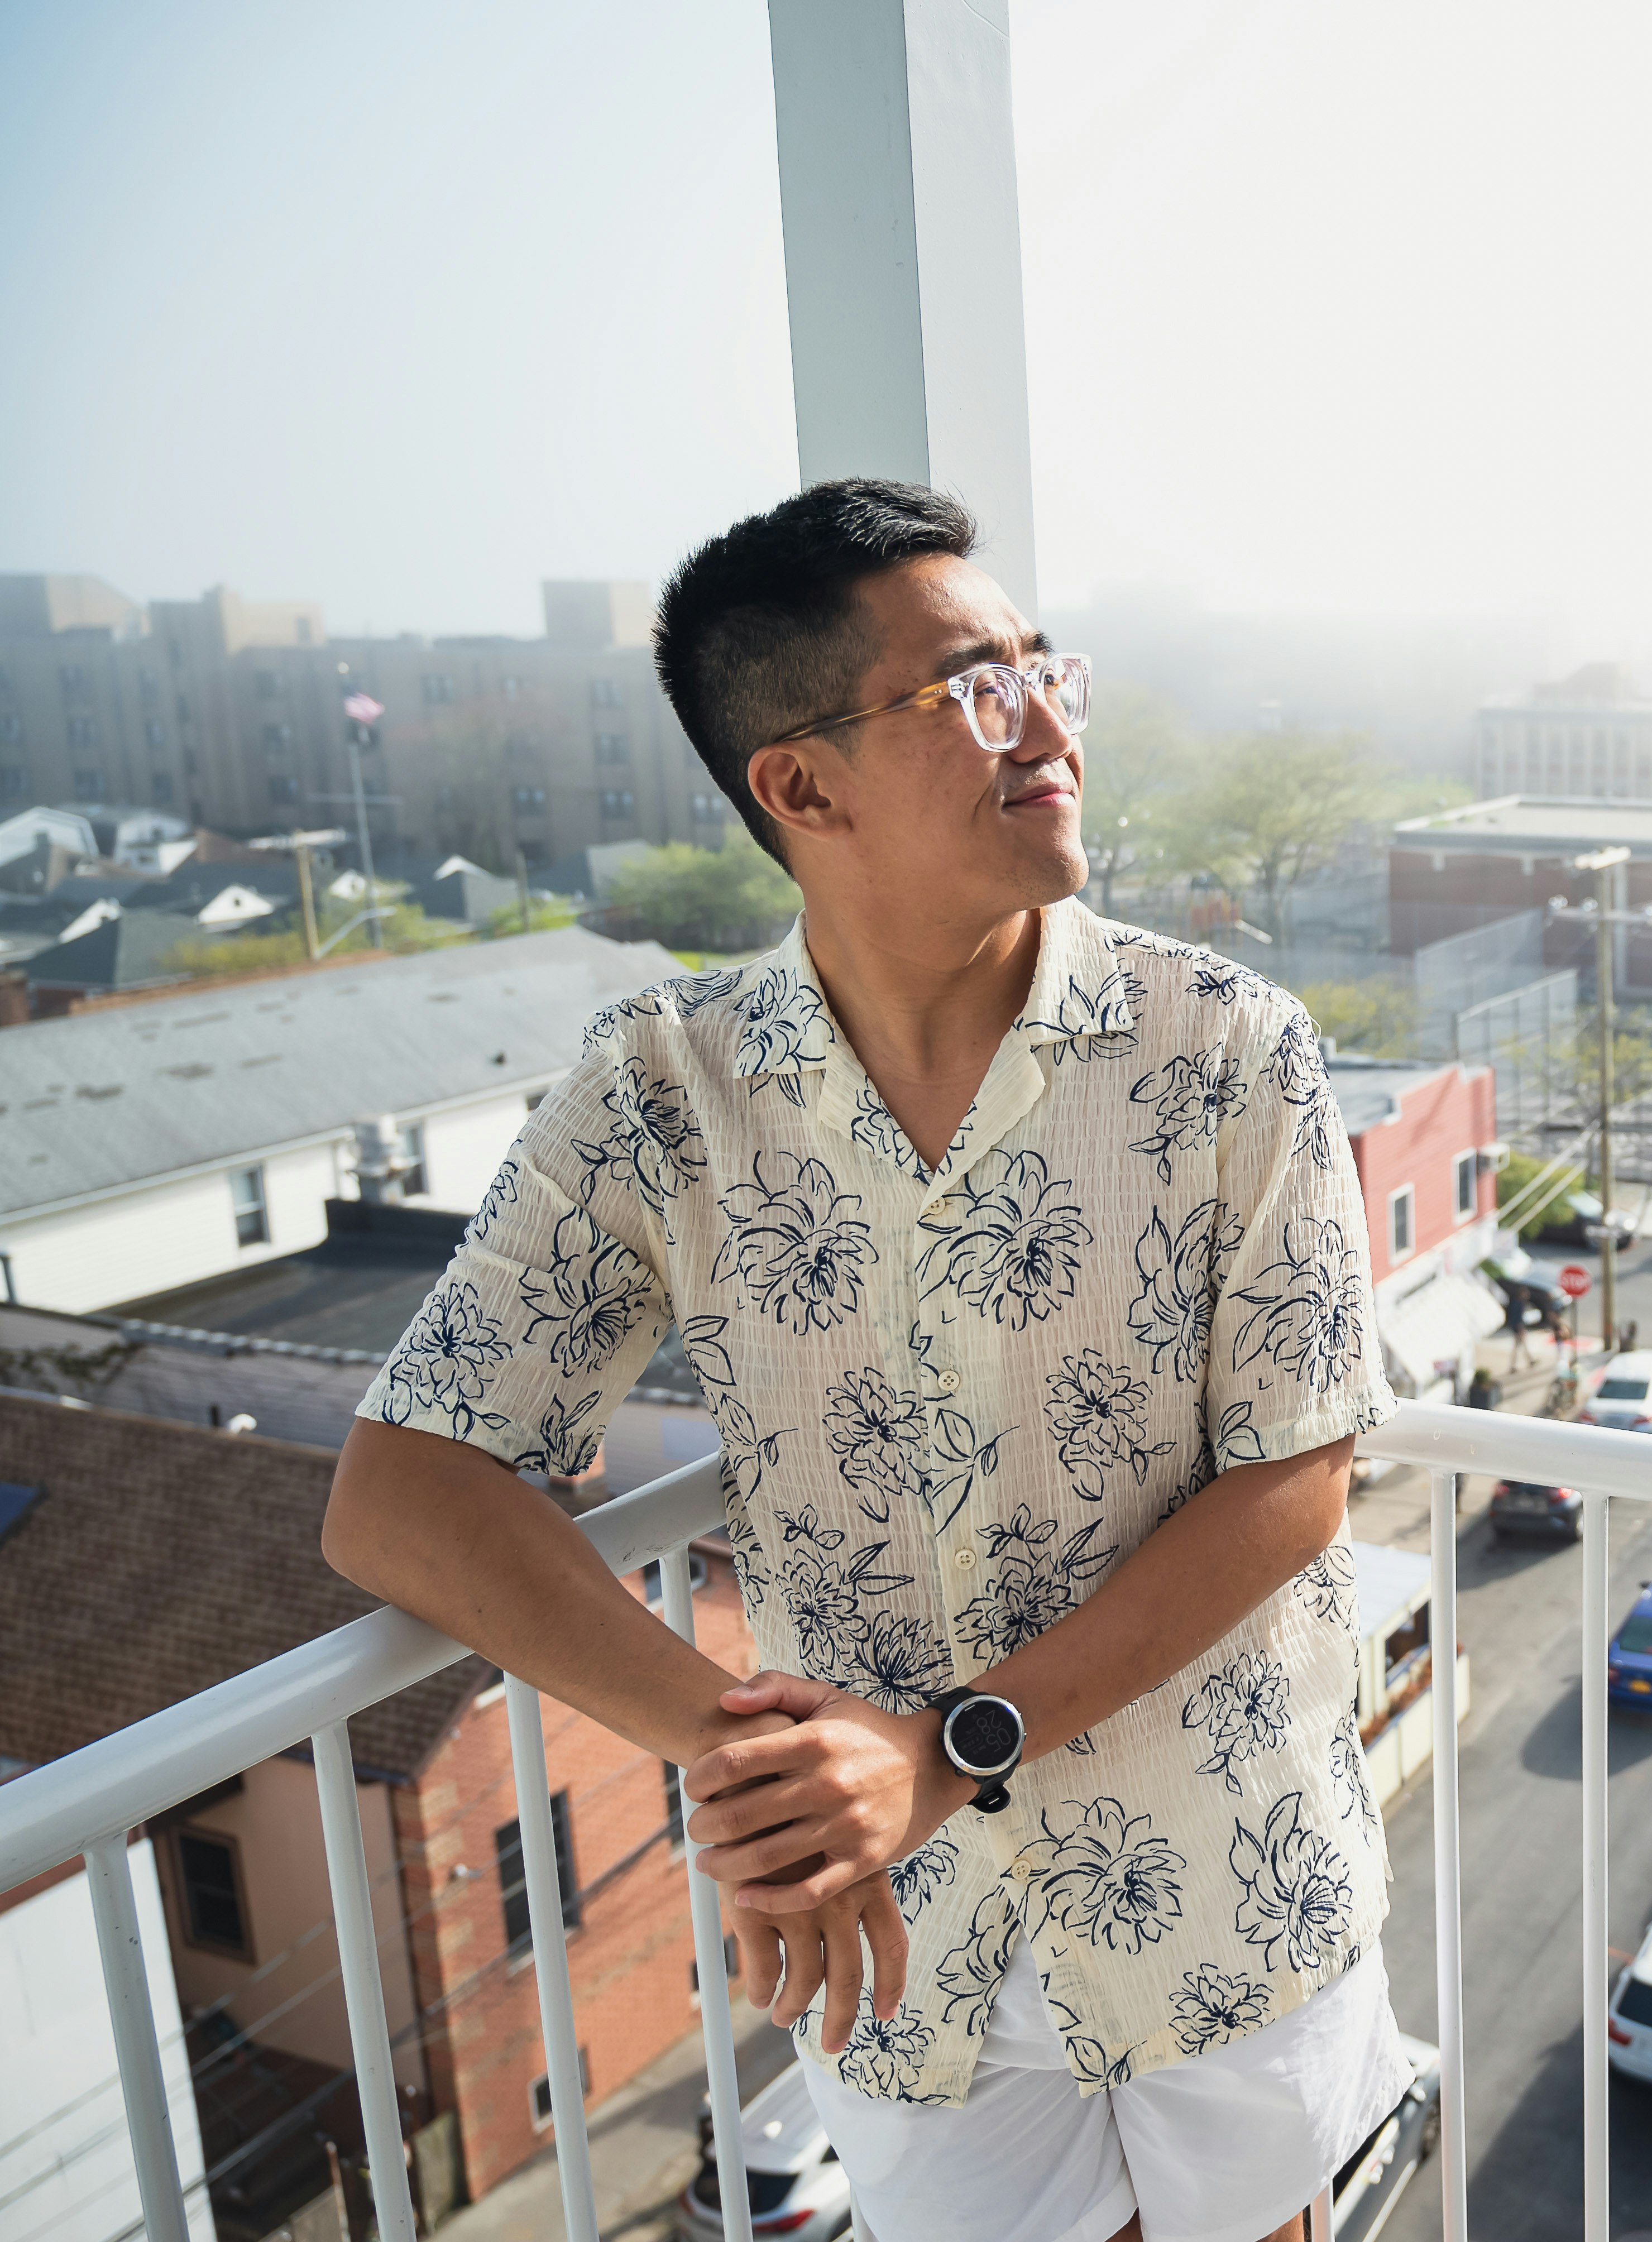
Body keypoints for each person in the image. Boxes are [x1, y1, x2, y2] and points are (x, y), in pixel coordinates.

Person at [321, 481, 1399, 2242]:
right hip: (898, 1939)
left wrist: (941, 1750)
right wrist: (749, 1763)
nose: (1047, 726)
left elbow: (1296, 1480)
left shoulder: (1227, 1050)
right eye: (971, 689)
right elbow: (401, 1493)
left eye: (1046, 670)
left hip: (1222, 1874)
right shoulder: (664, 1089)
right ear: (800, 785)